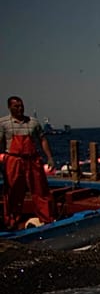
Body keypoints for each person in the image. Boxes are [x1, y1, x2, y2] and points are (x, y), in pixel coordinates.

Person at [2, 96, 55, 229]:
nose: (20, 108)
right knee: (13, 191)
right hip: (13, 160)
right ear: (9, 107)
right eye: (16, 106)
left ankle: (47, 218)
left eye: (21, 106)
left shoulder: (33, 122)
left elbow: (42, 140)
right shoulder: (3, 123)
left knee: (40, 189)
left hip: (32, 160)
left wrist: (49, 157)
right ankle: (12, 222)